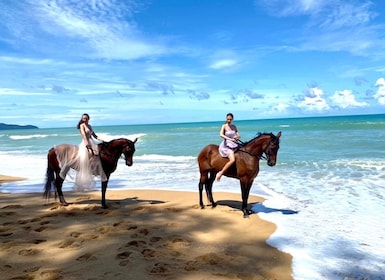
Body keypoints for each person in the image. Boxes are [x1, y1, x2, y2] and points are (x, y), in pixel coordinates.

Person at [75, 113, 107, 191]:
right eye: (83, 118)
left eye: (86, 118)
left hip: (92, 141)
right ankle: (88, 170)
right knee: (86, 156)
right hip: (85, 143)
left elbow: (94, 136)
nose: (84, 120)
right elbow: (84, 135)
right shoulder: (82, 126)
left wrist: (101, 140)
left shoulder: (90, 126)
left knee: (98, 155)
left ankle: (97, 171)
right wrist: (87, 145)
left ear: (88, 119)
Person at [216, 113, 241, 181]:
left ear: (232, 119)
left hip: (234, 143)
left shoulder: (234, 126)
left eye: (230, 119)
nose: (229, 120)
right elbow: (221, 135)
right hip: (226, 145)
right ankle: (221, 173)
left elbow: (238, 135)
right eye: (228, 119)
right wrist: (229, 139)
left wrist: (237, 137)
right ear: (226, 119)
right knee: (232, 160)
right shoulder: (224, 126)